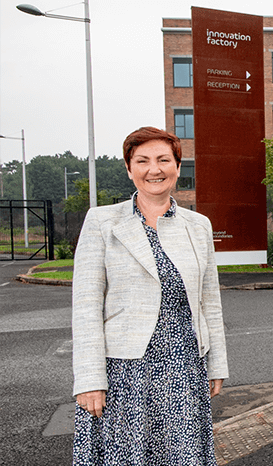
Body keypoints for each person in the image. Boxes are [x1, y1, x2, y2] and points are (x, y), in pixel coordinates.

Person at [71, 127, 228, 464]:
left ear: (177, 167)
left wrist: (216, 364)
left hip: (184, 368)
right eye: (142, 161)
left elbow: (209, 302)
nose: (153, 169)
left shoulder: (198, 225)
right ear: (129, 169)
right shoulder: (102, 221)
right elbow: (86, 307)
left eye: (163, 160)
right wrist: (89, 379)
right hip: (123, 372)